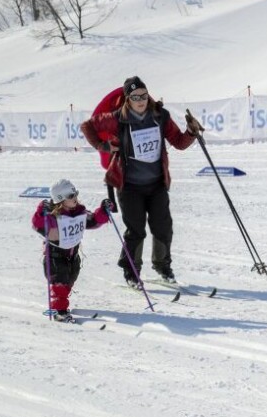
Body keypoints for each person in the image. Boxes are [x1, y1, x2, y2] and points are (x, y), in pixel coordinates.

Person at [80, 76, 203, 286]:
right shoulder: (117, 118)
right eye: (135, 96)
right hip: (129, 186)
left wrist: (191, 131)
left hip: (156, 184)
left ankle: (162, 266)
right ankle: (131, 271)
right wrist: (103, 146)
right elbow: (87, 126)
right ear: (128, 99)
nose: (141, 100)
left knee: (163, 227)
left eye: (144, 95)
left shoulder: (160, 115)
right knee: (136, 231)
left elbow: (179, 143)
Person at [31, 179, 113, 322]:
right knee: (60, 283)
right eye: (70, 196)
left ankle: (62, 301)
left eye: (75, 194)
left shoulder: (79, 212)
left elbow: (93, 220)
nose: (75, 197)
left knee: (70, 280)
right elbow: (37, 225)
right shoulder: (52, 216)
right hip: (55, 256)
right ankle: (59, 311)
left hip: (73, 254)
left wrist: (104, 211)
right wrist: (41, 212)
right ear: (60, 200)